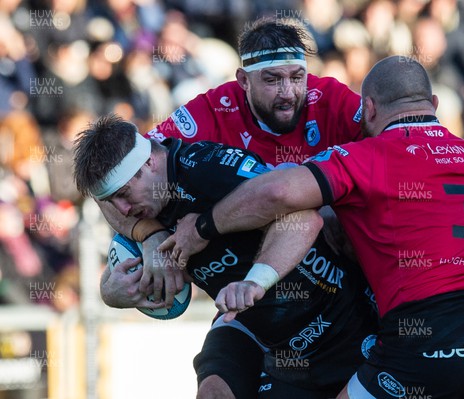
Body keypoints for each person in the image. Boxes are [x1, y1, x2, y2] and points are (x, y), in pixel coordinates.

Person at [165, 56, 464, 399]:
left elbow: (279, 191)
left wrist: (202, 227)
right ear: (435, 104)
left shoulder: (367, 156)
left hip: (425, 333)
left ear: (369, 110)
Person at [96, 18, 364, 398]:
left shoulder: (333, 100)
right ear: (243, 81)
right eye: (272, 80)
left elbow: (405, 144)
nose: (288, 92)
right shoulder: (208, 112)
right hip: (249, 304)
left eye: (296, 77)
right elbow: (110, 176)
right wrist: (150, 236)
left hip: (339, 288)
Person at [77, 115, 376, 398]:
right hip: (254, 327)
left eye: (125, 194)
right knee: (213, 392)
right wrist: (113, 291)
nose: (123, 209)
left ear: (151, 161)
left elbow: (304, 220)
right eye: (111, 200)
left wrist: (253, 282)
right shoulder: (142, 202)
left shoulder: (211, 172)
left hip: (335, 318)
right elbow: (114, 213)